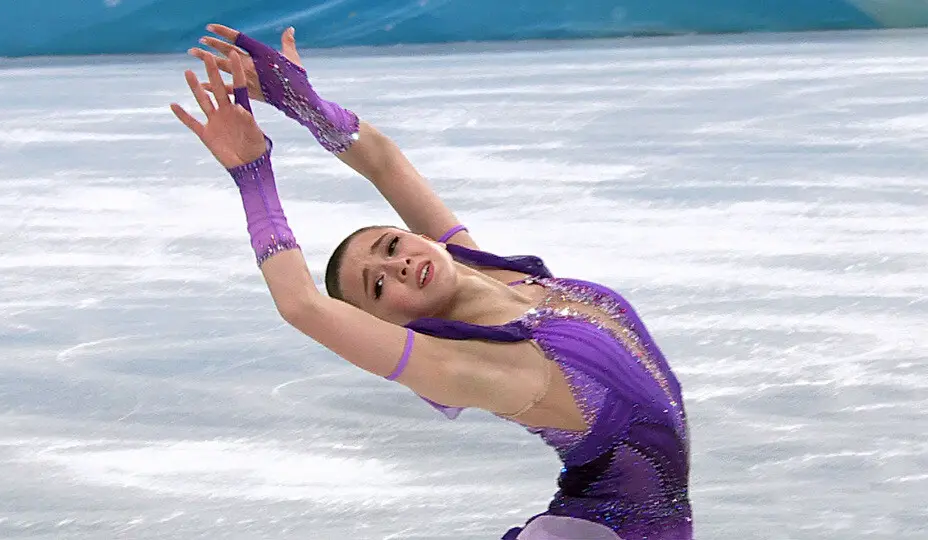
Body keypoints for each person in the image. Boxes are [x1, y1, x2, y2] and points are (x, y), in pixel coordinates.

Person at [171, 23, 693, 540]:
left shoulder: (498, 274)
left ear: (424, 239)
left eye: (391, 246)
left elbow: (384, 163)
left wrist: (302, 103)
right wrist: (253, 174)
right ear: (394, 326)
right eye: (378, 288)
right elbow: (300, 305)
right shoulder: (475, 364)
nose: (396, 266)